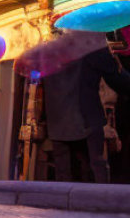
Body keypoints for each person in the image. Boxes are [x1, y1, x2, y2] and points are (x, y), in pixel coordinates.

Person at [43, 45, 130, 183]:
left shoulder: (47, 47)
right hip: (86, 120)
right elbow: (116, 78)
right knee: (95, 176)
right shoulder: (90, 44)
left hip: (57, 121)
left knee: (63, 179)